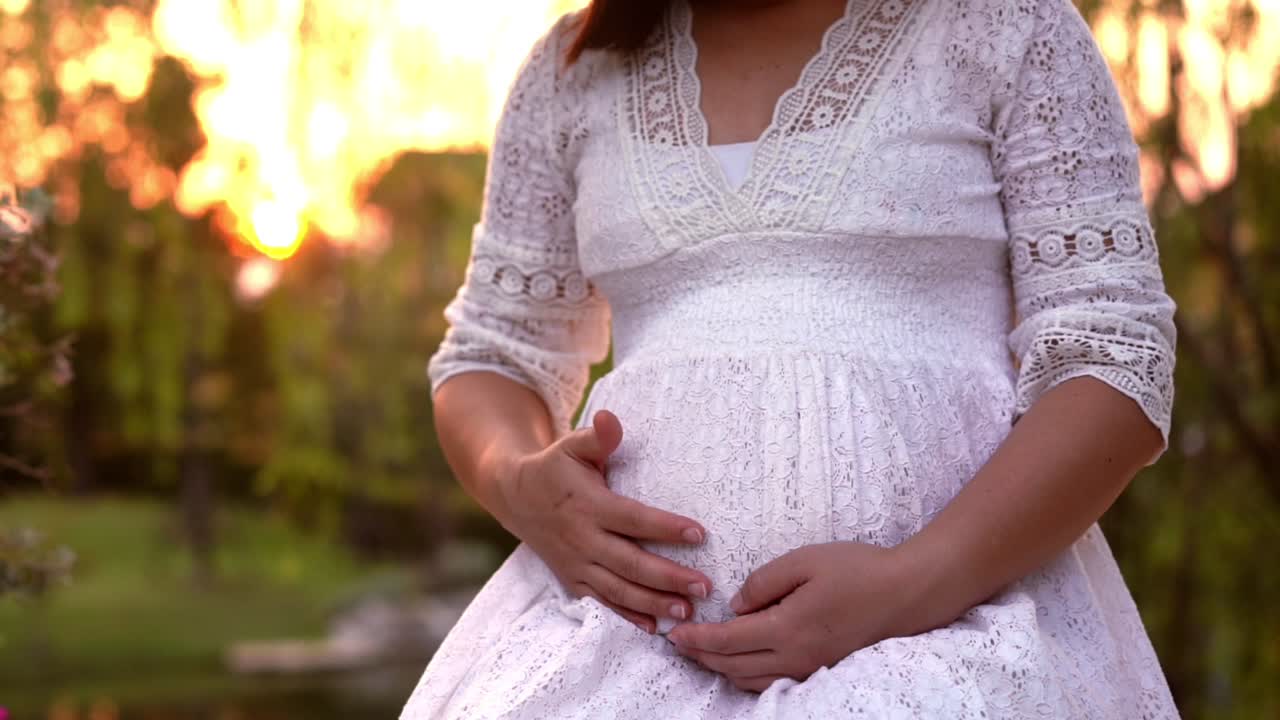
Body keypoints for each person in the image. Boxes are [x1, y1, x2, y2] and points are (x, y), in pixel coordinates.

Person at [401, 0, 1180, 716]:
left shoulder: (1005, 26)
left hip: (959, 643)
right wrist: (518, 482)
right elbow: (493, 354)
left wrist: (913, 584)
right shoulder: (572, 71)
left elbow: (1114, 353)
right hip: (609, 653)